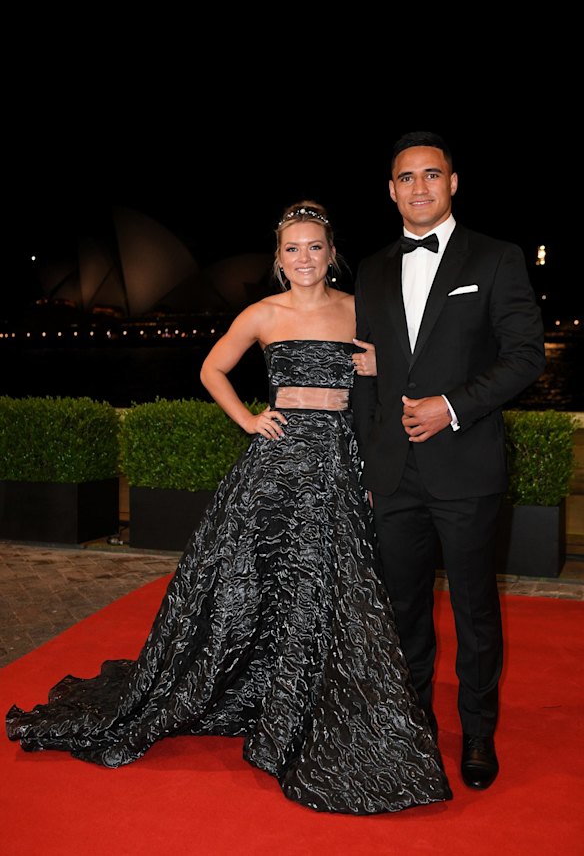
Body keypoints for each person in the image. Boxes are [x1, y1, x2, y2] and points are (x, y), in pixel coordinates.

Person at [6, 200, 452, 815]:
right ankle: (256, 691)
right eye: (292, 249)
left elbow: (388, 381)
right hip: (275, 465)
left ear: (332, 253)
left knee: (329, 586)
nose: (304, 258)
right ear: (278, 258)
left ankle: (302, 702)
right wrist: (248, 418)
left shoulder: (359, 308)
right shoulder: (261, 313)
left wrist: (381, 378)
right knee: (251, 584)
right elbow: (212, 368)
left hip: (337, 464)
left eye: (314, 247)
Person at [352, 132, 546, 792]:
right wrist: (368, 469)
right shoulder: (373, 269)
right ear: (391, 190)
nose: (420, 187)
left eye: (432, 175)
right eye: (407, 178)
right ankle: (415, 732)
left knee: (474, 612)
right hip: (394, 476)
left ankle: (480, 734)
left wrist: (452, 406)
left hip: (466, 468)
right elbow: (368, 377)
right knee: (402, 612)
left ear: (453, 183)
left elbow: (525, 357)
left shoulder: (496, 258)